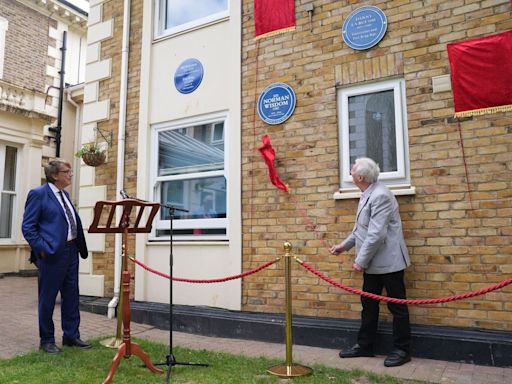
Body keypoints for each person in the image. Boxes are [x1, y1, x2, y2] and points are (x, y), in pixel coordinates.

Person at [330, 157, 411, 367]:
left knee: (397, 307)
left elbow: (376, 235)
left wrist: (360, 261)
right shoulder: (367, 193)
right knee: (368, 305)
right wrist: (343, 246)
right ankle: (365, 346)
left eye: (353, 169)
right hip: (373, 263)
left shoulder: (381, 195)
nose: (350, 171)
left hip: (389, 262)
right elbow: (361, 230)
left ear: (360, 177)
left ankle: (402, 350)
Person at [22, 158, 91, 353]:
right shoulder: (38, 194)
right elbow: (28, 227)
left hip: (71, 252)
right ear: (54, 175)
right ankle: (47, 340)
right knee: (48, 298)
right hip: (52, 255)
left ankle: (71, 336)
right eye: (67, 171)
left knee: (71, 296)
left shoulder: (65, 195)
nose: (71, 174)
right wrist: (43, 249)